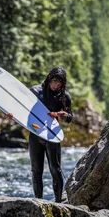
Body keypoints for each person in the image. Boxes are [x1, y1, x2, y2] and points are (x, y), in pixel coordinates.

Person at [28, 67, 73, 203]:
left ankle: (59, 202)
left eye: (59, 83)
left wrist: (66, 115)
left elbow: (70, 117)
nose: (56, 85)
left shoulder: (64, 96)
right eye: (54, 81)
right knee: (36, 170)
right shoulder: (36, 91)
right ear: (49, 79)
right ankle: (39, 201)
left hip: (52, 135)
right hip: (36, 135)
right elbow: (22, 109)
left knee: (56, 169)